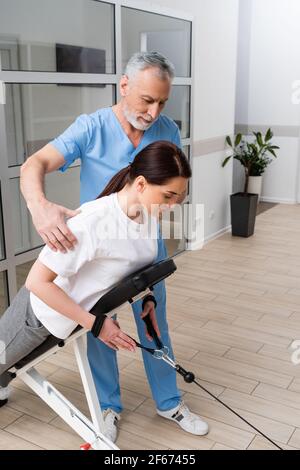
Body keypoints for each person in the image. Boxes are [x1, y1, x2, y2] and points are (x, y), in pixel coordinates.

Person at [20, 52, 209, 441]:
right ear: (124, 86)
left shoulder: (167, 130)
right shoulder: (91, 128)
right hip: (100, 258)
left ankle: (168, 400)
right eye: (146, 100)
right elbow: (34, 164)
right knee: (99, 330)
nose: (154, 111)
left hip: (144, 250)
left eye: (162, 102)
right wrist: (40, 209)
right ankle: (108, 406)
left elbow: (169, 188)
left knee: (155, 324)